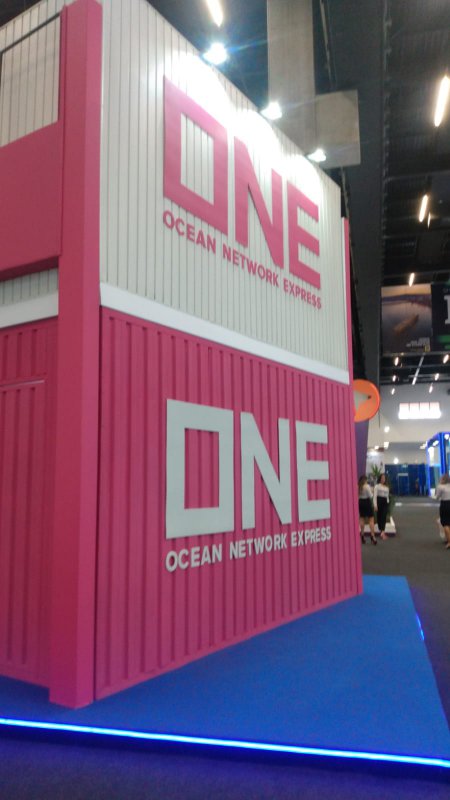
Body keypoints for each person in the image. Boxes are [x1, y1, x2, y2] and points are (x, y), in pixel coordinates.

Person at [358, 475, 377, 545]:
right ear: (365, 480)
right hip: (367, 502)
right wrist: (372, 491)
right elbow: (371, 496)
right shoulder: (367, 486)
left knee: (362, 518)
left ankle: (362, 535)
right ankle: (372, 536)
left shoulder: (358, 486)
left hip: (360, 502)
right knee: (371, 519)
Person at [435, 473, 450, 550]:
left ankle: (449, 542)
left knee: (445, 523)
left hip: (445, 505)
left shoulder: (440, 487)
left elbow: (437, 497)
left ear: (443, 479)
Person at [374, 473, 389, 540]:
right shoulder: (377, 486)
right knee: (379, 517)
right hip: (379, 501)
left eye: (384, 478)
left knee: (383, 516)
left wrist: (387, 503)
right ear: (380, 479)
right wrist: (375, 505)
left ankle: (383, 532)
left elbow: (387, 496)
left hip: (385, 502)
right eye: (382, 478)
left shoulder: (386, 487)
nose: (383, 479)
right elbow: (375, 496)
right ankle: (381, 530)